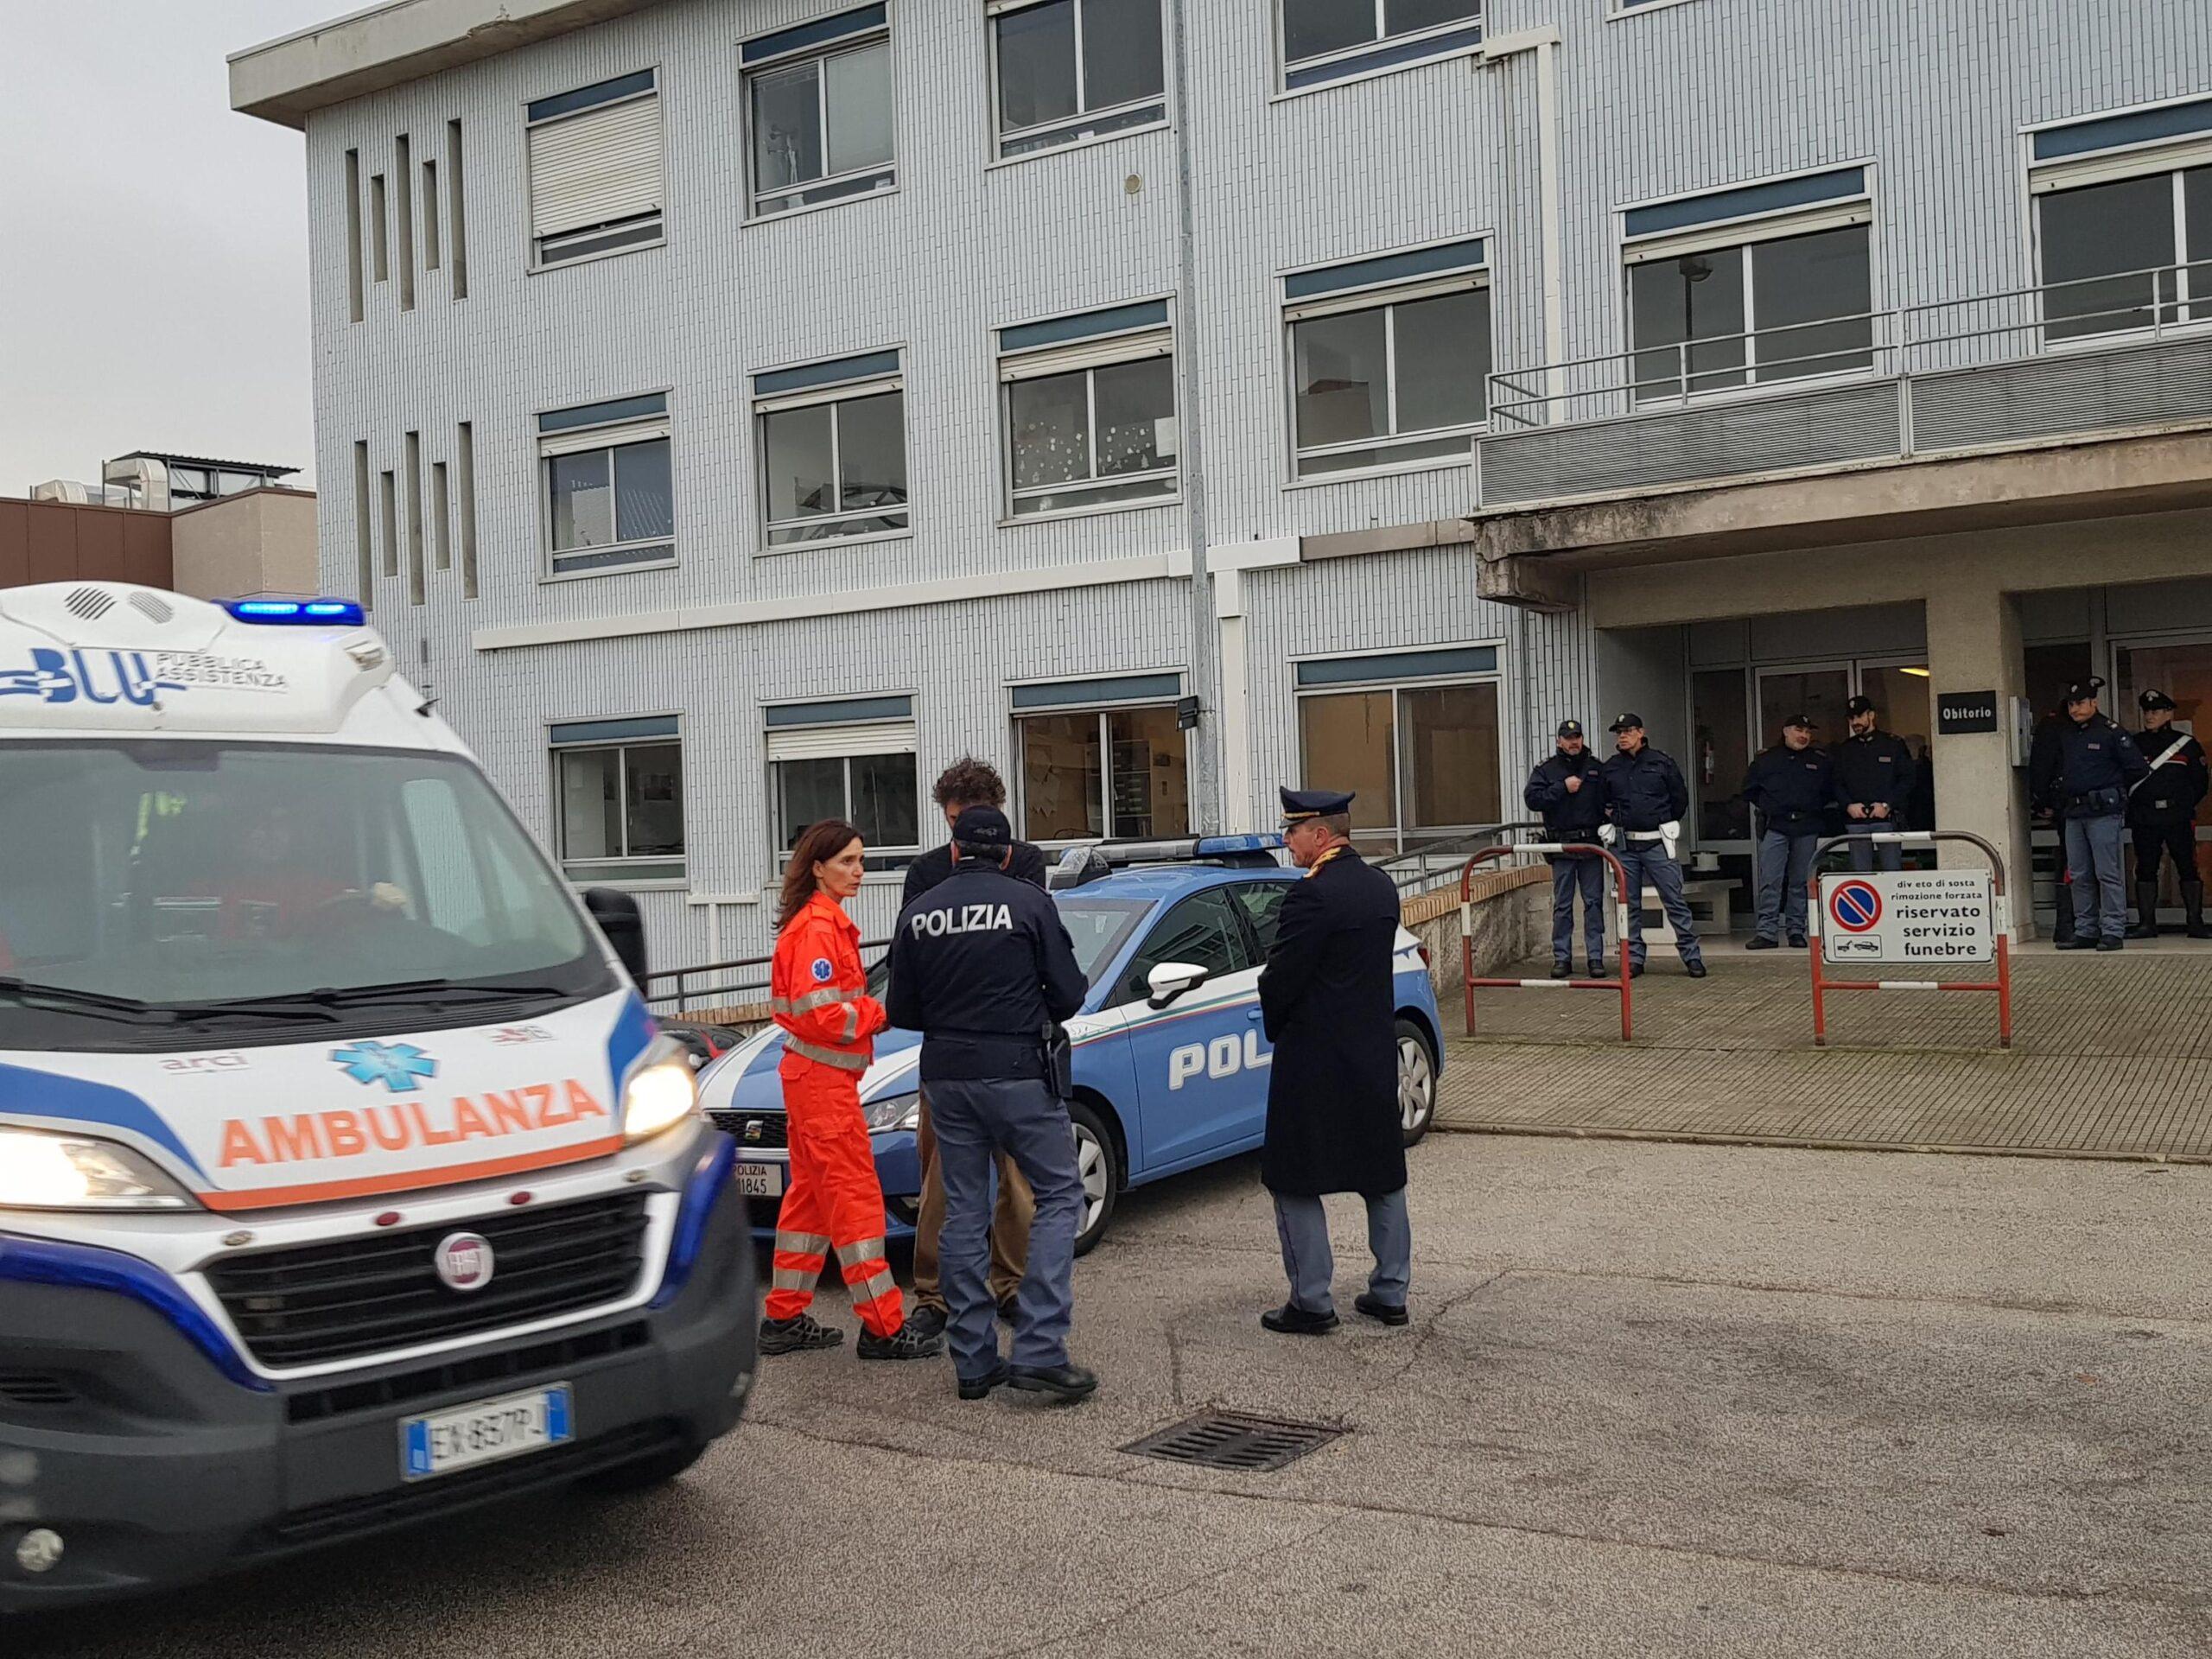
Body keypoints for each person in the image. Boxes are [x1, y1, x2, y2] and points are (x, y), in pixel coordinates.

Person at [886, 805, 1094, 1402]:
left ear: (954, 850)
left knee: (963, 1212)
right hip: (1019, 1072)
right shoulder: (1029, 903)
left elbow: (901, 1011)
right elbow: (1071, 994)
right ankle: (1040, 1350)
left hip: (946, 1076)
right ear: (1006, 853)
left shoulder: (919, 913)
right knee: (1059, 1194)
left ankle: (974, 1363)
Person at [760, 819, 944, 1361]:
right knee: (857, 1203)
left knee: (811, 1206)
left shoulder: (817, 924)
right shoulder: (819, 929)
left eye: (861, 860)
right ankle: (884, 1328)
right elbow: (823, 1014)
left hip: (812, 1082)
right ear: (817, 867)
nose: (858, 871)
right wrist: (880, 1013)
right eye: (847, 861)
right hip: (823, 1087)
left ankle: (783, 1318)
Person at [900, 757, 1048, 1340]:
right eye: (953, 820)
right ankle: (933, 1294)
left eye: (970, 821)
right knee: (939, 1178)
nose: (960, 835)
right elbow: (911, 957)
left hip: (1006, 1044)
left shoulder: (1026, 861)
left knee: (1015, 1180)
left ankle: (1009, 1284)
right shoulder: (925, 871)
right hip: (950, 1045)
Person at [1256, 787, 1412, 1337]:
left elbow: (1281, 979)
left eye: (1292, 830)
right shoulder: (1381, 887)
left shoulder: (1311, 896)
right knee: (1382, 1172)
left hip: (1314, 1057)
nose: (1286, 839)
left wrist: (1276, 1022)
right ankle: (1391, 1291)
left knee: (1293, 1177)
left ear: (1322, 834)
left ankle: (1312, 1301)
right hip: (1371, 1050)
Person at [2031, 677, 2148, 951]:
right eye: (2071, 704)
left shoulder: (2110, 732)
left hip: (2104, 812)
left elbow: (2138, 769)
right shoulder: (2067, 733)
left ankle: (2112, 930)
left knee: (2107, 873)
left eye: (2080, 702)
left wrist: (2114, 792)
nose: (2074, 709)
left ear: (2093, 702)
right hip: (2074, 812)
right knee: (2080, 874)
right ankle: (2086, 929)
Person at [1599, 715, 1707, 979]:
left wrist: (1664, 822)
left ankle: (1692, 956)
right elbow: (1602, 801)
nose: (1623, 736)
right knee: (1629, 904)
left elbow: (1679, 799)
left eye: (1628, 731)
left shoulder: (1661, 762)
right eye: (1619, 732)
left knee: (1674, 900)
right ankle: (1634, 959)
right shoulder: (1611, 767)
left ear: (1641, 732)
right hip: (1625, 845)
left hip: (1657, 843)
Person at [1523, 720, 1610, 979]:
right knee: (1562, 905)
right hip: (1561, 845)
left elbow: (1609, 798)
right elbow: (1532, 799)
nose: (1573, 742)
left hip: (1591, 845)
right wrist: (1562, 788)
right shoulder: (1547, 770)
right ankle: (1562, 958)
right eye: (1568, 737)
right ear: (1559, 741)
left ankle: (1596, 958)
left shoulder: (1595, 768)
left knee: (1594, 903)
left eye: (1577, 736)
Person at [1739, 714, 1833, 950]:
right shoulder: (1767, 760)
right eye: (1799, 730)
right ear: (1786, 731)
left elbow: (1829, 792)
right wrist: (1770, 806)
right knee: (1771, 880)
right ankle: (1767, 932)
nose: (1804, 736)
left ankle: (1795, 931)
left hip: (1806, 826)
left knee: (1800, 881)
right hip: (1776, 825)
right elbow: (1749, 790)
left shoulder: (1820, 760)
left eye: (1808, 732)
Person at [2126, 689, 2211, 939]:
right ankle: (2146, 924)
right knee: (2146, 868)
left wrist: (2183, 805)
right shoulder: (2134, 744)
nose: (2150, 716)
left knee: (2187, 867)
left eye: (2156, 711)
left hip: (2177, 816)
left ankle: (2195, 922)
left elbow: (2200, 783)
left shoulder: (2187, 744)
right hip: (2145, 817)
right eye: (2147, 711)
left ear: (2168, 713)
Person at [1832, 696, 1916, 872]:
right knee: (1861, 877)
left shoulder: (1892, 744)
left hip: (1886, 819)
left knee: (1892, 875)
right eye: (1851, 718)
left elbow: (1907, 779)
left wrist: (1888, 804)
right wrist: (1848, 805)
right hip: (1856, 821)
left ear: (1871, 715)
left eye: (1859, 716)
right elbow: (1836, 783)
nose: (1855, 722)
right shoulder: (1845, 749)